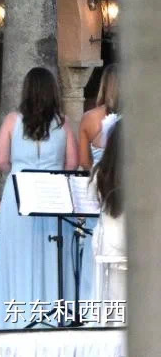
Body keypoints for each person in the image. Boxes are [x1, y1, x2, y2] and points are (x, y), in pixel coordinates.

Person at [0, 67, 78, 329]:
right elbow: (72, 163)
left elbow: (0, 160)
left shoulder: (12, 121)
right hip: (53, 193)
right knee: (51, 254)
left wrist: (20, 168)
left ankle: (17, 316)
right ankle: (51, 314)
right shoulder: (62, 122)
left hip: (19, 193)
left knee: (18, 252)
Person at [77, 64, 118, 302]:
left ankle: (94, 306)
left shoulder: (89, 118)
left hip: (101, 194)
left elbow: (84, 161)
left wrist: (101, 173)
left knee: (97, 252)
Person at [90, 121, 124, 315]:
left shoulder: (101, 173)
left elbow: (93, 202)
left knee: (114, 300)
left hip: (110, 244)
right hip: (142, 244)